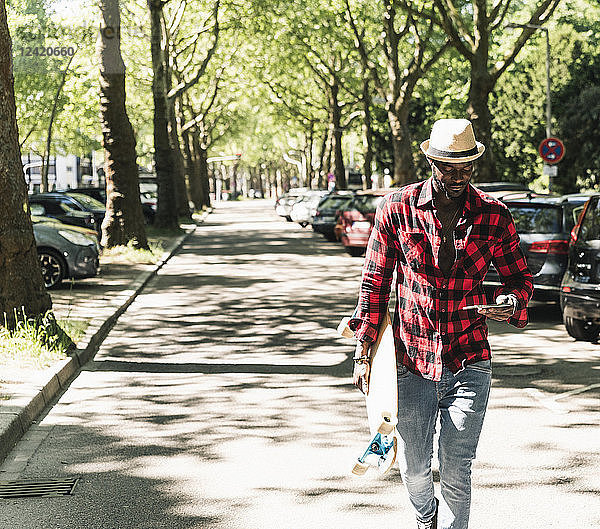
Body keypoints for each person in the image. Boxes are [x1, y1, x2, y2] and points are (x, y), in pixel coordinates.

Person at [348, 118, 533, 529]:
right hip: (411, 363)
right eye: (448, 167)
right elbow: (375, 282)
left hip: (469, 359)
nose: (457, 175)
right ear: (432, 161)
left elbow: (519, 280)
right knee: (414, 467)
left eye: (465, 167)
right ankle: (424, 516)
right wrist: (363, 354)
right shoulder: (398, 207)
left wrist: (511, 303)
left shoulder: (494, 216)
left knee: (456, 467)